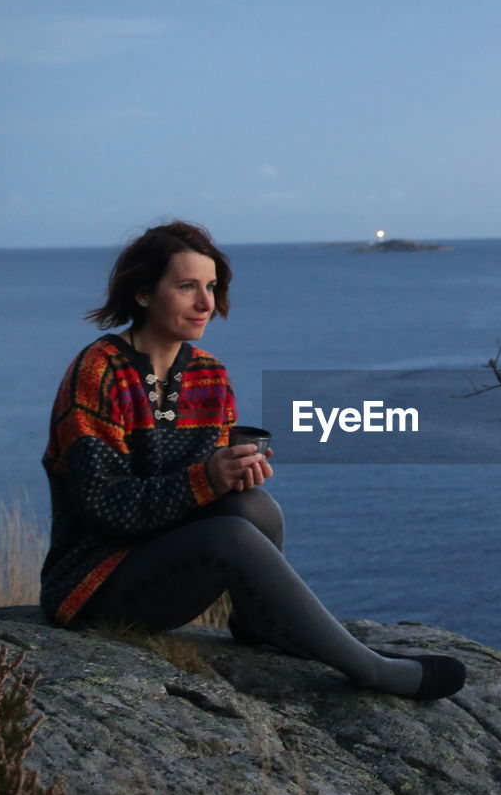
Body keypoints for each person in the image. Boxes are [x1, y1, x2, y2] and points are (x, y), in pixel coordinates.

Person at [39, 221, 465, 701]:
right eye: (187, 287)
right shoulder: (99, 372)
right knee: (232, 534)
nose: (206, 304)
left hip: (163, 562)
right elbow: (103, 505)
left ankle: (259, 621)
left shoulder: (208, 376)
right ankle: (372, 670)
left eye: (212, 287)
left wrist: (234, 475)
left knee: (256, 507)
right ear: (142, 292)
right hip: (94, 585)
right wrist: (206, 479)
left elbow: (202, 494)